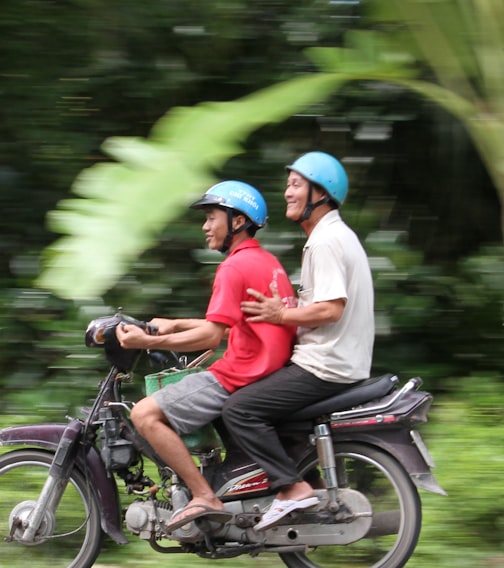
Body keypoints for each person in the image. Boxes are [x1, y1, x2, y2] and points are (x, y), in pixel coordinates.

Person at [116, 180, 297, 531]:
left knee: (145, 414)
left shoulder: (233, 267)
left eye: (212, 216)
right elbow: (234, 325)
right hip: (264, 369)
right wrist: (172, 325)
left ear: (238, 221)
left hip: (239, 374)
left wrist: (142, 342)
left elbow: (211, 335)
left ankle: (203, 496)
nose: (205, 226)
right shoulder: (267, 262)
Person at [221, 151, 375, 532]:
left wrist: (280, 315)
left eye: (295, 185)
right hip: (334, 359)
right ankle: (300, 490)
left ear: (320, 192)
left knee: (239, 409)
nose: (287, 193)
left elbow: (330, 309)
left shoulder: (325, 241)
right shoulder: (334, 236)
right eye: (288, 185)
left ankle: (292, 488)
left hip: (326, 364)